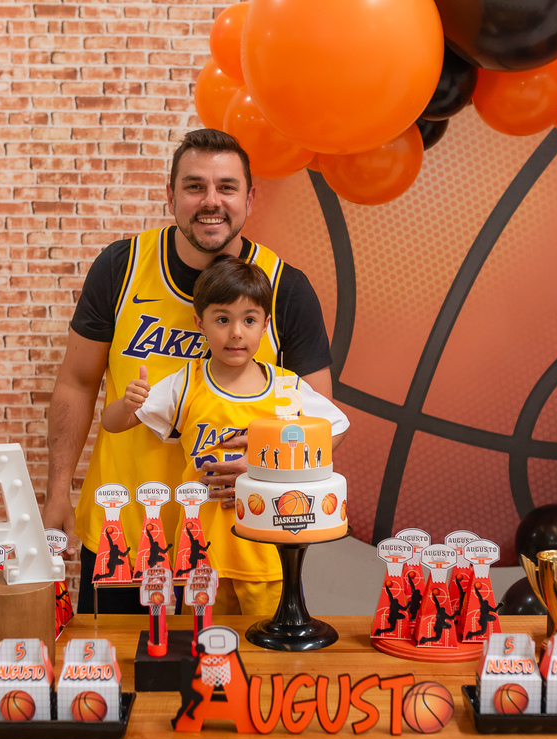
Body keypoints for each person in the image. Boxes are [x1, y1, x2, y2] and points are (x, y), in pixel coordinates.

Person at [44, 129, 334, 613]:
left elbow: (321, 423)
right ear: (171, 195)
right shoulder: (121, 267)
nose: (211, 201)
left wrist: (271, 465)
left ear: (249, 198)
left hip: (235, 543)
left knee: (235, 687)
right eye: (195, 186)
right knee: (121, 683)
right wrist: (56, 492)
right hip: (126, 531)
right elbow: (76, 384)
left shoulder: (285, 288)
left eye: (226, 187)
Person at [102, 256, 348, 614]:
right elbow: (112, 424)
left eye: (249, 320)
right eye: (223, 319)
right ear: (200, 323)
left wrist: (268, 464)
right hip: (201, 552)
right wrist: (127, 404)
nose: (236, 332)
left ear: (265, 325)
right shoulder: (187, 383)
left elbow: (336, 427)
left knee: (266, 656)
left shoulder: (286, 388)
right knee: (202, 649)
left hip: (267, 552)